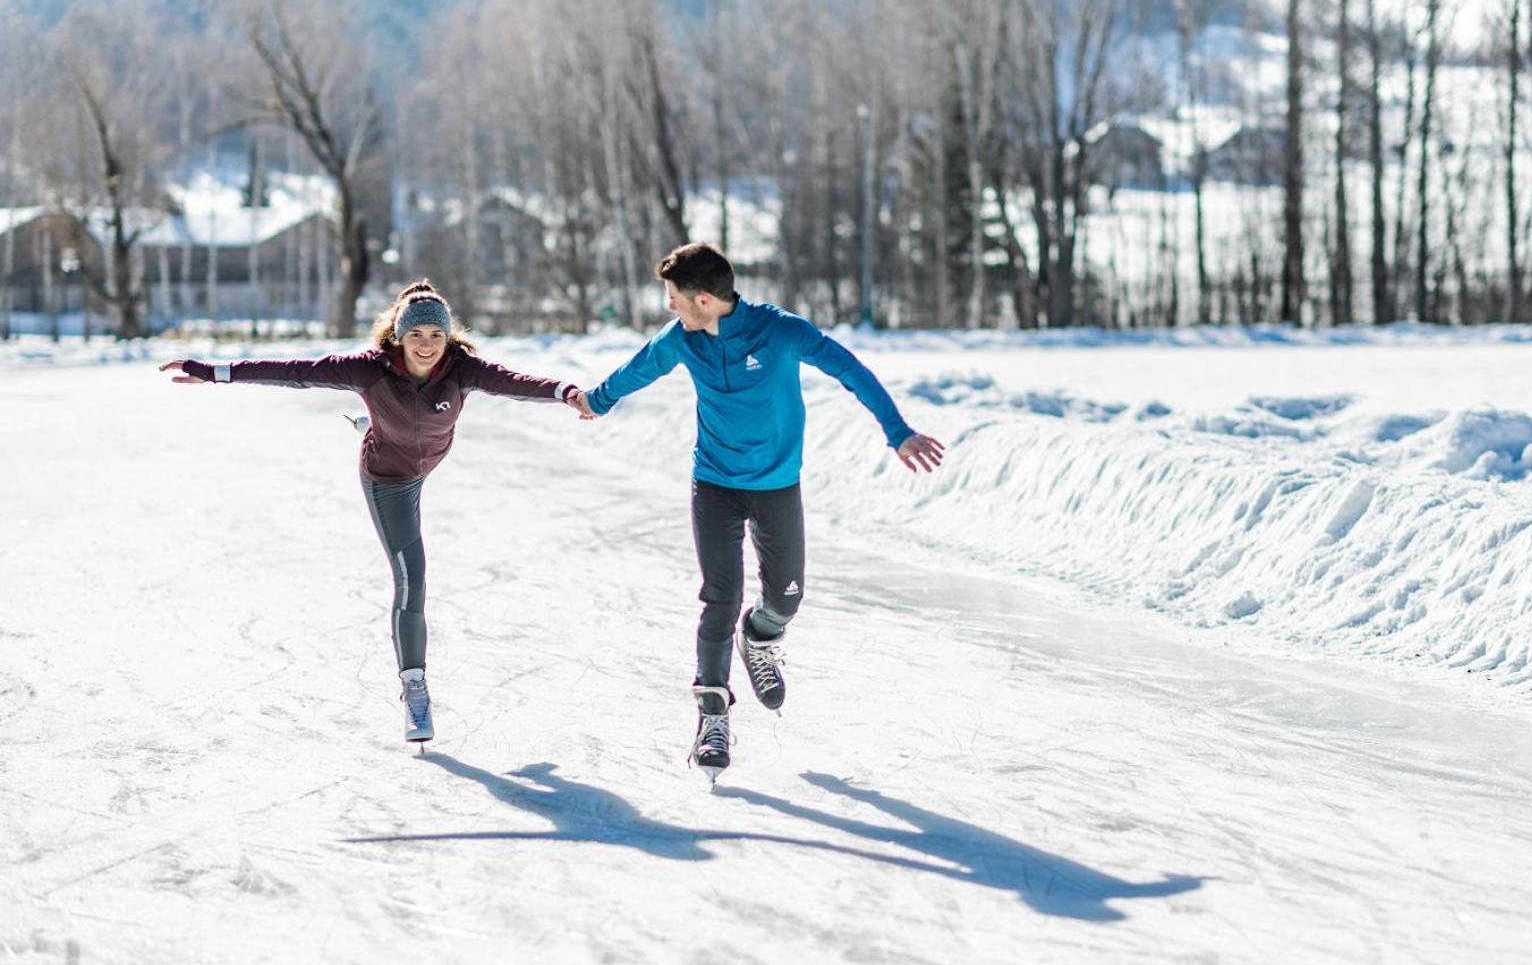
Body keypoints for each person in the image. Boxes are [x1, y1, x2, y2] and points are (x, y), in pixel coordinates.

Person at [568, 243, 945, 781]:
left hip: (776, 485)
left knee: (787, 595)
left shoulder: (780, 331)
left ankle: (761, 638)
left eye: (675, 298)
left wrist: (898, 432)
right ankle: (712, 717)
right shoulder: (683, 339)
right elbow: (637, 370)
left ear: (703, 299)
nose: (670, 308)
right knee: (720, 597)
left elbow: (851, 370)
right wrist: (595, 400)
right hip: (714, 483)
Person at [159, 279, 580, 748]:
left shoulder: (462, 369)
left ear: (449, 338)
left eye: (436, 336)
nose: (426, 346)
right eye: (416, 335)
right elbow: (293, 371)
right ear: (398, 337)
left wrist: (565, 390)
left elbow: (516, 382)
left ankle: (373, 424)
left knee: (401, 434)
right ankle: (415, 685)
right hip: (389, 478)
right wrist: (214, 371)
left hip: (429, 456)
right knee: (411, 577)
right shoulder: (369, 371)